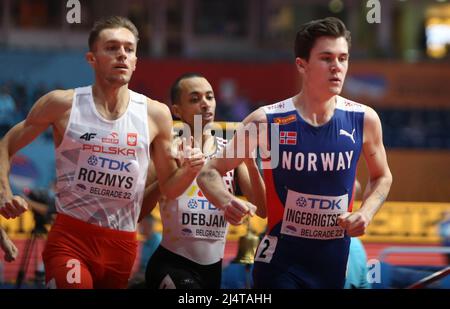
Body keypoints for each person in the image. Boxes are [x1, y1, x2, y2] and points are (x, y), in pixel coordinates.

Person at [0, 16, 203, 289]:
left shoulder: (156, 114)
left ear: (135, 61)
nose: (122, 54)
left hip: (122, 246)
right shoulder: (62, 104)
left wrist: (189, 170)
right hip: (71, 240)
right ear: (91, 58)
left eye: (129, 49)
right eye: (112, 47)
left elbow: (170, 187)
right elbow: (6, 144)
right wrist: (4, 191)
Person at [197, 17, 393, 288]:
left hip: (332, 265)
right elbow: (209, 172)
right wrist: (224, 200)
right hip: (280, 263)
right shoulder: (266, 121)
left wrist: (367, 212)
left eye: (343, 58)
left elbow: (382, 176)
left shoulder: (365, 119)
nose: (337, 67)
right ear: (302, 65)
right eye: (326, 58)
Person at [142, 73, 266, 289]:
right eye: (194, 99)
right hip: (172, 265)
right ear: (176, 110)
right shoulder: (169, 151)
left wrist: (251, 163)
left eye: (210, 97)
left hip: (212, 271)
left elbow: (263, 209)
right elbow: (139, 211)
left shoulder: (229, 155)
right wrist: (171, 178)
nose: (205, 104)